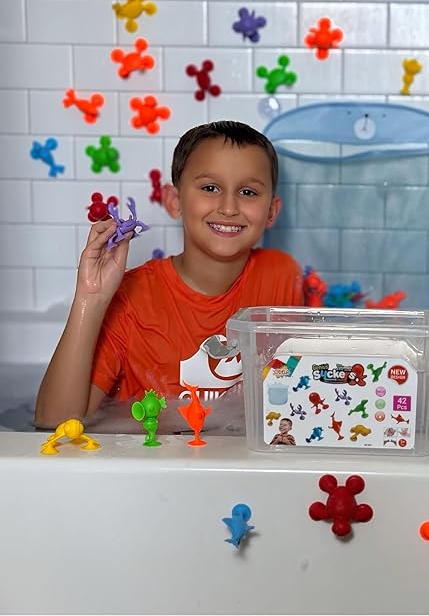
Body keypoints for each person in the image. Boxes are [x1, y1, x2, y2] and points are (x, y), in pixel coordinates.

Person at [35, 121, 303, 429]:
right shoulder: (131, 297)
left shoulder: (280, 275)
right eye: (210, 188)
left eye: (247, 192)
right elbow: (54, 423)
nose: (229, 207)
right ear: (175, 202)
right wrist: (91, 298)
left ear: (271, 211)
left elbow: (295, 385)